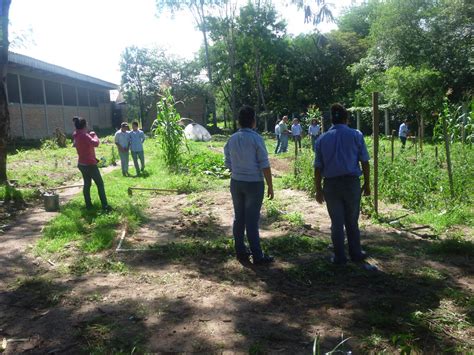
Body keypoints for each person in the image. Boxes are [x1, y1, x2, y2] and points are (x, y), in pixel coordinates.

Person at [314, 103, 370, 265]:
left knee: (336, 222)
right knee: (352, 220)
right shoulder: (356, 135)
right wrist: (367, 184)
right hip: (351, 183)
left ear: (332, 120)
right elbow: (365, 162)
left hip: (331, 185)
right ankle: (356, 253)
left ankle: (339, 257)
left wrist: (318, 190)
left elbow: (318, 168)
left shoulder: (322, 139)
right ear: (347, 118)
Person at [224, 105, 275, 265]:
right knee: (252, 220)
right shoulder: (256, 138)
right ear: (253, 121)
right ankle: (258, 256)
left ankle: (240, 251)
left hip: (236, 182)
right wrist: (270, 185)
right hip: (254, 183)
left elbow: (227, 161)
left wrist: (238, 169)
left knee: (239, 218)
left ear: (239, 122)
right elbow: (264, 164)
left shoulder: (231, 139)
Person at [72, 116, 110, 211]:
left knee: (87, 184)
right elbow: (96, 143)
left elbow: (83, 147)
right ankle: (105, 206)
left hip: (82, 164)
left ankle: (88, 205)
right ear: (84, 125)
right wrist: (94, 135)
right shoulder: (85, 135)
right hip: (90, 165)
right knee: (100, 184)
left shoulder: (76, 134)